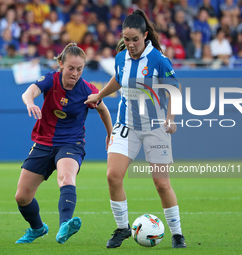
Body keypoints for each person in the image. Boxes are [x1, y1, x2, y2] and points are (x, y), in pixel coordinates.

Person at [84, 9, 186, 249]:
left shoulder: (159, 60)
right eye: (126, 39)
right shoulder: (121, 57)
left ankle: (177, 234)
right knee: (112, 176)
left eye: (134, 39)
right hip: (126, 124)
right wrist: (99, 95)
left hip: (155, 127)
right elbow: (118, 79)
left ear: (145, 35)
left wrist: (170, 118)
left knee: (161, 184)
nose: (130, 44)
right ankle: (122, 229)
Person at [15, 43, 113, 244]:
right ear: (61, 64)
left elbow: (103, 109)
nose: (75, 73)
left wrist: (110, 134)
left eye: (79, 69)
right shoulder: (51, 79)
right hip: (43, 143)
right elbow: (28, 92)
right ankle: (37, 228)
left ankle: (64, 225)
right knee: (22, 197)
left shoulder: (88, 90)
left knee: (66, 178)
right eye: (71, 68)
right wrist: (30, 103)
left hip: (71, 143)